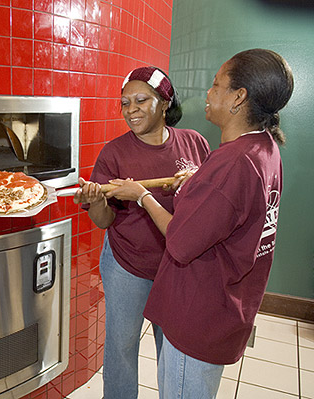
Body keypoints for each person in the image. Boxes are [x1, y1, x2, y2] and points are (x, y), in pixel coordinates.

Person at [109, 48, 294, 397]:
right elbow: (231, 208)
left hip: (199, 316)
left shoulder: (230, 164)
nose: (207, 93)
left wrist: (142, 196)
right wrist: (199, 179)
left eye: (216, 84)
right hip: (227, 307)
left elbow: (179, 240)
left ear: (238, 98)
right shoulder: (263, 149)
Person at [73, 66, 210, 398]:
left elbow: (209, 205)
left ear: (164, 102)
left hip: (177, 266)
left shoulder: (193, 143)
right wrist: (94, 201)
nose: (130, 110)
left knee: (173, 346)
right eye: (124, 103)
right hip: (126, 266)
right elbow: (105, 221)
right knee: (121, 345)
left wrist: (195, 182)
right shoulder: (115, 153)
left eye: (140, 100)